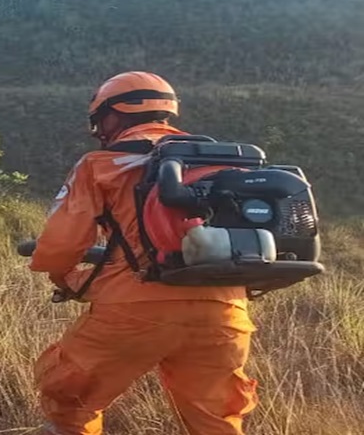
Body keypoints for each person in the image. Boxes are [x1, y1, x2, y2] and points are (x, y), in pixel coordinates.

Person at [29, 71, 258, 435]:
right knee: (218, 422)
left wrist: (62, 276)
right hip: (224, 311)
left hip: (131, 309)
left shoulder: (100, 164)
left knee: (70, 404)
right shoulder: (222, 162)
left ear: (112, 116)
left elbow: (61, 247)